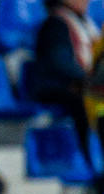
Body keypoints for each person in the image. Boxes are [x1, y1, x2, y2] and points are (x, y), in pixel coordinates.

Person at [31, 0, 100, 162]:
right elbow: (59, 62)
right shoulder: (56, 25)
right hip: (60, 88)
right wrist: (92, 80)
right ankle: (90, 160)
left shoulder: (86, 24)